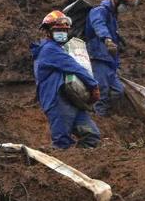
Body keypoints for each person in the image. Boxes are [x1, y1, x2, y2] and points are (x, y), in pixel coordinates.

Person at [31, 11, 101, 149]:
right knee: (62, 142)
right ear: (48, 31)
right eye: (58, 30)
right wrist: (93, 86)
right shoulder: (49, 50)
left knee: (91, 136)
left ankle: (83, 166)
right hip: (57, 100)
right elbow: (74, 66)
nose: (62, 33)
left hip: (70, 98)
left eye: (64, 30)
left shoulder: (58, 48)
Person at [84, 0, 138, 116]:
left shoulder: (113, 16)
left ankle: (108, 118)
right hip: (98, 58)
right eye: (126, 4)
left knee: (118, 90)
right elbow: (98, 25)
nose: (126, 7)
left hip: (109, 63)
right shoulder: (99, 11)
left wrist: (116, 65)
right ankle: (99, 119)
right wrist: (106, 39)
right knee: (101, 91)